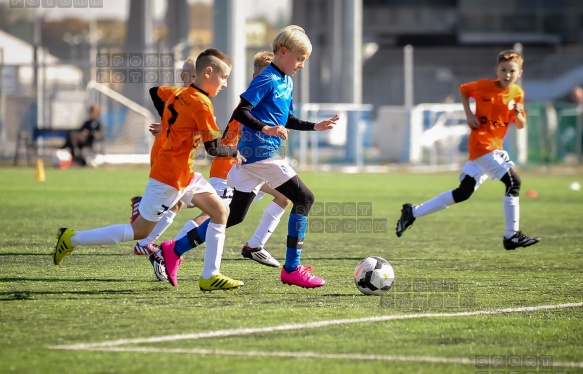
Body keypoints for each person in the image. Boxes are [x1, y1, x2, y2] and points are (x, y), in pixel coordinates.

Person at [159, 25, 339, 288]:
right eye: (299, 58)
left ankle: (173, 250)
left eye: (304, 60)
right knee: (304, 197)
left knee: (233, 216)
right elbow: (241, 112)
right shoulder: (266, 78)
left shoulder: (287, 81)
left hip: (251, 159)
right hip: (259, 155)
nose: (301, 65)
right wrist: (266, 128)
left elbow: (287, 118)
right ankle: (292, 268)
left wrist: (315, 126)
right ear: (283, 51)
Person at [54, 48, 246, 292]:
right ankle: (71, 238)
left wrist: (168, 124)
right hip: (169, 178)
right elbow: (214, 148)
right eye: (224, 77)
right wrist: (234, 152)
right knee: (139, 231)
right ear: (208, 72)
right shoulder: (203, 105)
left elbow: (155, 92)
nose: (226, 84)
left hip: (184, 175)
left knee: (220, 212)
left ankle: (210, 275)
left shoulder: (178, 93)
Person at [395, 49, 541, 251]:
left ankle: (412, 212)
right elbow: (463, 90)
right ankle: (511, 236)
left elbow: (521, 124)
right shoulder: (483, 87)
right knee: (513, 182)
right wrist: (469, 114)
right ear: (496, 70)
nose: (507, 74)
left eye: (512, 71)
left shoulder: (517, 93)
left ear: (520, 73)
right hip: (482, 144)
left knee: (462, 193)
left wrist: (519, 114)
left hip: (492, 147)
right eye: (504, 69)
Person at [129, 58, 197, 282]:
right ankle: (153, 245)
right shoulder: (180, 94)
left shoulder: (197, 99)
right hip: (167, 157)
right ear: (187, 78)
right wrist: (166, 126)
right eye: (196, 75)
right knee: (213, 206)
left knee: (177, 203)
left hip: (180, 161)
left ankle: (147, 240)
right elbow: (153, 90)